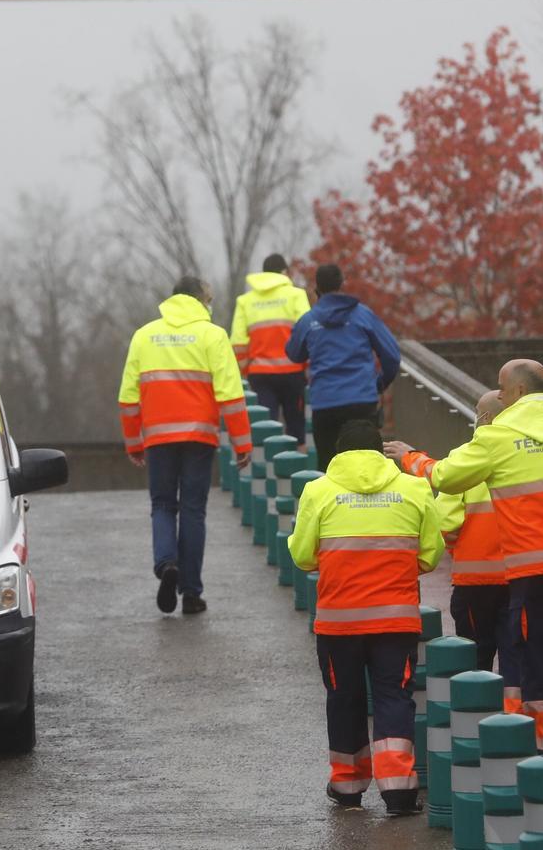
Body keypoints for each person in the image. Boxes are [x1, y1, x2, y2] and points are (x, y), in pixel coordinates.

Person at [394, 359, 543, 776]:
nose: (500, 397)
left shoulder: (499, 436)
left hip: (531, 571)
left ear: (518, 392)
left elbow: (445, 477)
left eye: (502, 390)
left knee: (537, 655)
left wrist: (411, 458)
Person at [287, 418, 443, 814]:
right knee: (394, 696)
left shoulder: (318, 491)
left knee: (344, 698)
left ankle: (348, 785)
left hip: (339, 622)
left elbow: (303, 556)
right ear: (381, 452)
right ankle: (399, 790)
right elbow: (429, 554)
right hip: (396, 620)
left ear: (339, 453)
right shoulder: (413, 488)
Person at [118, 276, 252, 615]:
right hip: (199, 437)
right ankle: (191, 593)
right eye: (209, 299)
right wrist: (241, 443)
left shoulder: (144, 336)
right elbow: (231, 395)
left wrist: (134, 442)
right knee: (194, 509)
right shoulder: (213, 336)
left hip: (159, 439)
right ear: (199, 300)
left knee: (163, 505)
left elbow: (128, 397)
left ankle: (167, 565)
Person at [389, 392, 523, 716]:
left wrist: (457, 545)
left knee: (475, 658)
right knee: (516, 658)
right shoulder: (525, 460)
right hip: (522, 579)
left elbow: (446, 524)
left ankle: (479, 720)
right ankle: (515, 723)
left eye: (478, 412)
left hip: (476, 582)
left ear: (487, 419)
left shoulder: (467, 460)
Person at [285, 263, 401, 470]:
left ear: (316, 289)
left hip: (325, 404)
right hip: (361, 402)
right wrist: (378, 385)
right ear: (342, 284)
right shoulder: (362, 315)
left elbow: (293, 353)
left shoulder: (309, 321)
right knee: (367, 467)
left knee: (329, 469)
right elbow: (391, 355)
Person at [230, 253, 311, 444]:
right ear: (284, 272)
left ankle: (267, 470)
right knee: (297, 429)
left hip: (260, 375)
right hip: (293, 373)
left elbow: (238, 342)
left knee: (265, 428)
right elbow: (308, 333)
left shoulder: (245, 301)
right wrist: (307, 368)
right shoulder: (296, 296)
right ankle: (296, 470)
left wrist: (245, 371)